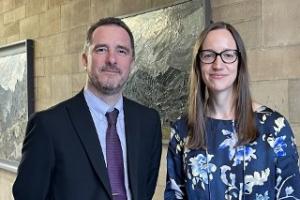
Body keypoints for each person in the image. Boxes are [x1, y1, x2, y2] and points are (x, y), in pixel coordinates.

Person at [13, 17, 162, 200]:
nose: (112, 59)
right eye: (101, 49)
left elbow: (145, 190)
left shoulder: (148, 121)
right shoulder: (48, 126)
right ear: (85, 60)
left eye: (121, 51)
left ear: (131, 63)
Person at [164, 21, 300, 199]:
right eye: (208, 55)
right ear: (198, 64)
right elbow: (174, 194)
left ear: (240, 62)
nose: (218, 64)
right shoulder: (182, 130)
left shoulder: (276, 127)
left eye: (228, 55)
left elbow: (291, 194)